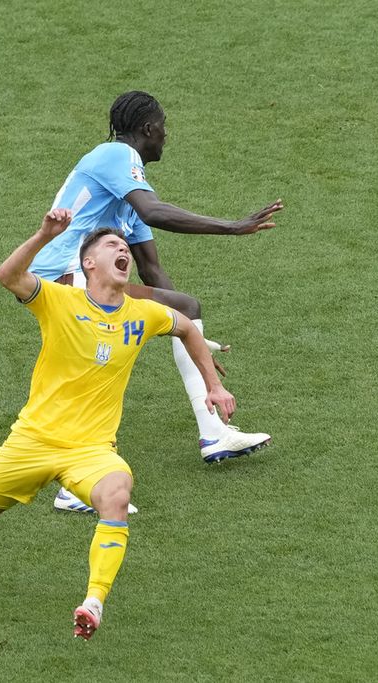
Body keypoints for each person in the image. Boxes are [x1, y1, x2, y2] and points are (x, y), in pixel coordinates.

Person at [0, 210, 236, 642]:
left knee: (118, 493)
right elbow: (8, 275)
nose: (124, 250)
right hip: (31, 442)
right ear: (88, 264)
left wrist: (212, 385)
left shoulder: (144, 314)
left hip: (92, 451)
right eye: (112, 247)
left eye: (125, 248)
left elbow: (188, 331)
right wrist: (45, 235)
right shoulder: (59, 300)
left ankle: (93, 602)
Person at [33, 91, 283, 514]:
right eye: (163, 127)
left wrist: (191, 339)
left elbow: (152, 271)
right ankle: (74, 486)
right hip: (66, 274)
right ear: (148, 129)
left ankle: (213, 435)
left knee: (184, 307)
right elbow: (153, 212)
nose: (167, 136)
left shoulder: (124, 195)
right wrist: (231, 226)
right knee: (98, 369)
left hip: (81, 274)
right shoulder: (114, 156)